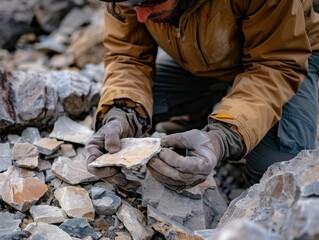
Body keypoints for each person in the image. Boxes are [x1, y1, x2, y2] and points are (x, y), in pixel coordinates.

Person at [86, 0, 319, 192]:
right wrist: (120, 114)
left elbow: (276, 64)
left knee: (277, 174)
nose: (140, 16)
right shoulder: (130, 4)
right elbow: (128, 58)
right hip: (205, 60)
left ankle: (227, 111)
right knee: (131, 110)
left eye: (149, 2)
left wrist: (221, 138)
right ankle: (213, 103)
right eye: (131, 4)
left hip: (287, 58)